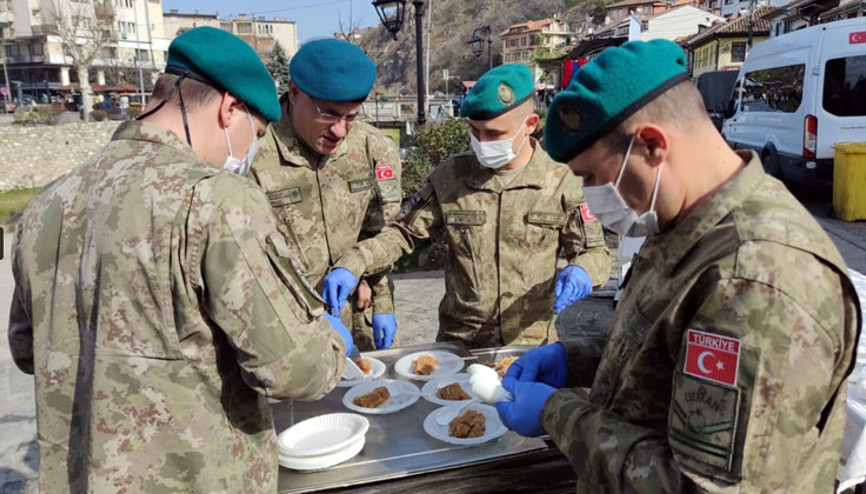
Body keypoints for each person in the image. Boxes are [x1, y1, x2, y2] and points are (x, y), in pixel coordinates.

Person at [494, 40, 861, 492]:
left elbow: (698, 486)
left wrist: (559, 414)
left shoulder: (756, 281)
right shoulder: (681, 220)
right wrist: (574, 359)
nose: (589, 195)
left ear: (652, 145)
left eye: (591, 177)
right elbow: (665, 352)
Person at [7, 27, 350, 492]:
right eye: (255, 135)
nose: (249, 153)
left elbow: (27, 351)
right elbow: (294, 370)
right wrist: (328, 342)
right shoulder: (216, 200)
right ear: (230, 109)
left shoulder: (48, 204)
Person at [323, 64, 611, 348]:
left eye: (494, 134)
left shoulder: (563, 182)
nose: (482, 142)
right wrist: (354, 263)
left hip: (529, 346)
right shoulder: (451, 177)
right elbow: (402, 233)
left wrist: (584, 271)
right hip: (460, 345)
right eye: (475, 131)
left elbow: (594, 251)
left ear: (530, 125)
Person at [250, 39, 402, 350]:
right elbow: (247, 256)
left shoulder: (374, 148)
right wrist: (309, 312)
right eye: (329, 114)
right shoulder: (254, 152)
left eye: (351, 116)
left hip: (359, 315)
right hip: (290, 327)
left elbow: (385, 232)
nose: (340, 131)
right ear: (295, 93)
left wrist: (382, 298)